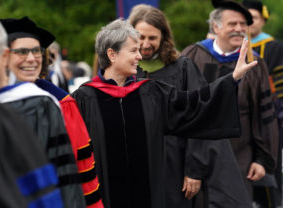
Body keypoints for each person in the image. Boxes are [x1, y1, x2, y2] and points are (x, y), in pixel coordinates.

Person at [71, 18, 256, 208]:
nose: (139, 56)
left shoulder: (151, 93)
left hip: (148, 196)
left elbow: (194, 103)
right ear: (112, 54)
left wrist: (232, 78)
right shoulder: (82, 101)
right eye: (133, 51)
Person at [128, 4, 252, 208]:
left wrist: (194, 169)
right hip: (136, 164)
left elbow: (200, 116)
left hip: (174, 164)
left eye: (152, 38)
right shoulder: (126, 69)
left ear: (163, 37)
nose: (146, 44)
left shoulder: (182, 68)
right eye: (140, 37)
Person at [0, 16, 103, 208]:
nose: (31, 58)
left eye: (36, 51)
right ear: (3, 56)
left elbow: (79, 171)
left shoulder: (59, 102)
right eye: (21, 51)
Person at [182, 0, 279, 202]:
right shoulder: (193, 56)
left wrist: (261, 159)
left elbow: (264, 113)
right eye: (232, 24)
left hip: (239, 153)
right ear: (216, 27)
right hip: (197, 153)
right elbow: (182, 110)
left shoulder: (254, 63)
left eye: (243, 25)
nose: (239, 29)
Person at [242, 1, 283, 207]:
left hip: (269, 117)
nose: (249, 24)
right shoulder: (233, 47)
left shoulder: (274, 46)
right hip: (242, 121)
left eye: (254, 18)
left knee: (268, 171)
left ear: (264, 20)